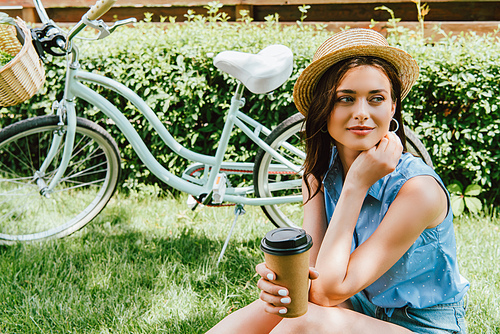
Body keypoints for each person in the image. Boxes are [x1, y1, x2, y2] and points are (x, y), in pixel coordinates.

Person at [206, 28, 469, 334]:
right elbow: (314, 282)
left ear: (393, 107)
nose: (362, 113)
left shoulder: (418, 190)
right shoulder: (317, 174)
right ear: (323, 108)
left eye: (376, 99)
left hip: (420, 329)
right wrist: (281, 280)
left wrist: (356, 184)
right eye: (345, 98)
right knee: (282, 307)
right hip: (355, 313)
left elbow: (328, 292)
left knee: (302, 323)